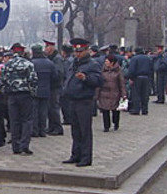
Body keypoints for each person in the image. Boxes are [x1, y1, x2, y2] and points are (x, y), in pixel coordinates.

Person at [62, 38, 103, 167]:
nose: (78, 54)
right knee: (75, 130)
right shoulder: (74, 63)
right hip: (72, 99)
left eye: (80, 51)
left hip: (84, 100)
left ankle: (86, 157)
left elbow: (98, 81)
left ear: (87, 51)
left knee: (84, 130)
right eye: (76, 51)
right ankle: (75, 154)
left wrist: (85, 78)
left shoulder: (92, 64)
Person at [0, 43, 38, 156]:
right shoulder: (28, 64)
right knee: (27, 120)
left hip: (12, 96)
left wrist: (6, 92)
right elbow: (33, 80)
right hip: (25, 95)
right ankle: (24, 145)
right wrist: (33, 93)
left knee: (14, 121)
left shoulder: (7, 65)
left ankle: (15, 146)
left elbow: (2, 81)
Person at [30, 45, 58, 138]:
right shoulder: (49, 63)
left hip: (34, 91)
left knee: (34, 111)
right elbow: (55, 77)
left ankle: (35, 130)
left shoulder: (31, 63)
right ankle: (42, 130)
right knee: (43, 112)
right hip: (46, 90)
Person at [96, 55, 127, 132]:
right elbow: (99, 83)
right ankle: (106, 126)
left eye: (107, 61)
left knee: (115, 110)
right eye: (105, 61)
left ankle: (116, 123)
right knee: (105, 111)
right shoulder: (102, 71)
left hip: (115, 94)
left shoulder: (118, 71)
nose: (105, 63)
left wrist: (124, 94)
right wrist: (96, 94)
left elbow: (122, 84)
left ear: (112, 63)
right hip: (104, 94)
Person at [44, 40, 65, 136]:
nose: (45, 49)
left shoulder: (57, 59)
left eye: (47, 47)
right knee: (50, 108)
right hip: (50, 87)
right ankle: (52, 127)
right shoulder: (50, 58)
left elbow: (59, 73)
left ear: (51, 47)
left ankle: (57, 127)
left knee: (54, 108)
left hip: (55, 87)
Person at [126, 47, 153, 115]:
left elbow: (132, 70)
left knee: (136, 94)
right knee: (145, 94)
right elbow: (151, 68)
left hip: (137, 78)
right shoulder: (148, 58)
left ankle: (136, 109)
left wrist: (130, 78)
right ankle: (145, 109)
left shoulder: (134, 58)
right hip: (146, 78)